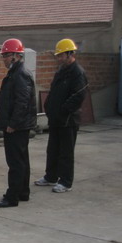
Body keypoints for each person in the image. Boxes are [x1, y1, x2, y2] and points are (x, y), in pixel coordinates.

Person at [34, 39, 88, 193]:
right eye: (57, 55)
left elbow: (78, 96)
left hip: (68, 120)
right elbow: (53, 92)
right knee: (52, 150)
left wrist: (63, 111)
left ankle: (65, 181)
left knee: (66, 152)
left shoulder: (77, 73)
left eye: (61, 55)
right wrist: (49, 107)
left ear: (70, 54)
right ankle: (51, 176)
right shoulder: (61, 71)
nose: (59, 58)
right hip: (56, 119)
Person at [0, 39, 37, 208]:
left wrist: (13, 124)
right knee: (21, 160)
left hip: (17, 127)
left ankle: (12, 197)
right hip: (18, 125)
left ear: (15, 56)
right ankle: (22, 192)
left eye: (6, 55)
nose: (3, 59)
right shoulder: (15, 73)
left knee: (16, 162)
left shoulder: (20, 74)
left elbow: (22, 102)